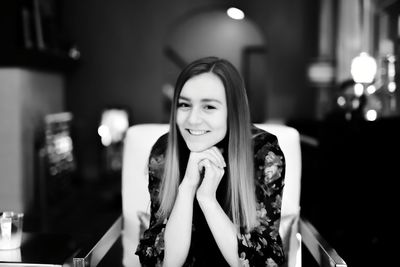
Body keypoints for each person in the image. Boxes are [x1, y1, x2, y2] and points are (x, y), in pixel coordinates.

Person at [135, 56, 286, 267]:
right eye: (185, 105)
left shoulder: (263, 153)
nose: (193, 119)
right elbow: (160, 262)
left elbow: (263, 262)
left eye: (209, 107)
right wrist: (187, 188)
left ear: (232, 111)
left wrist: (207, 199)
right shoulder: (165, 151)